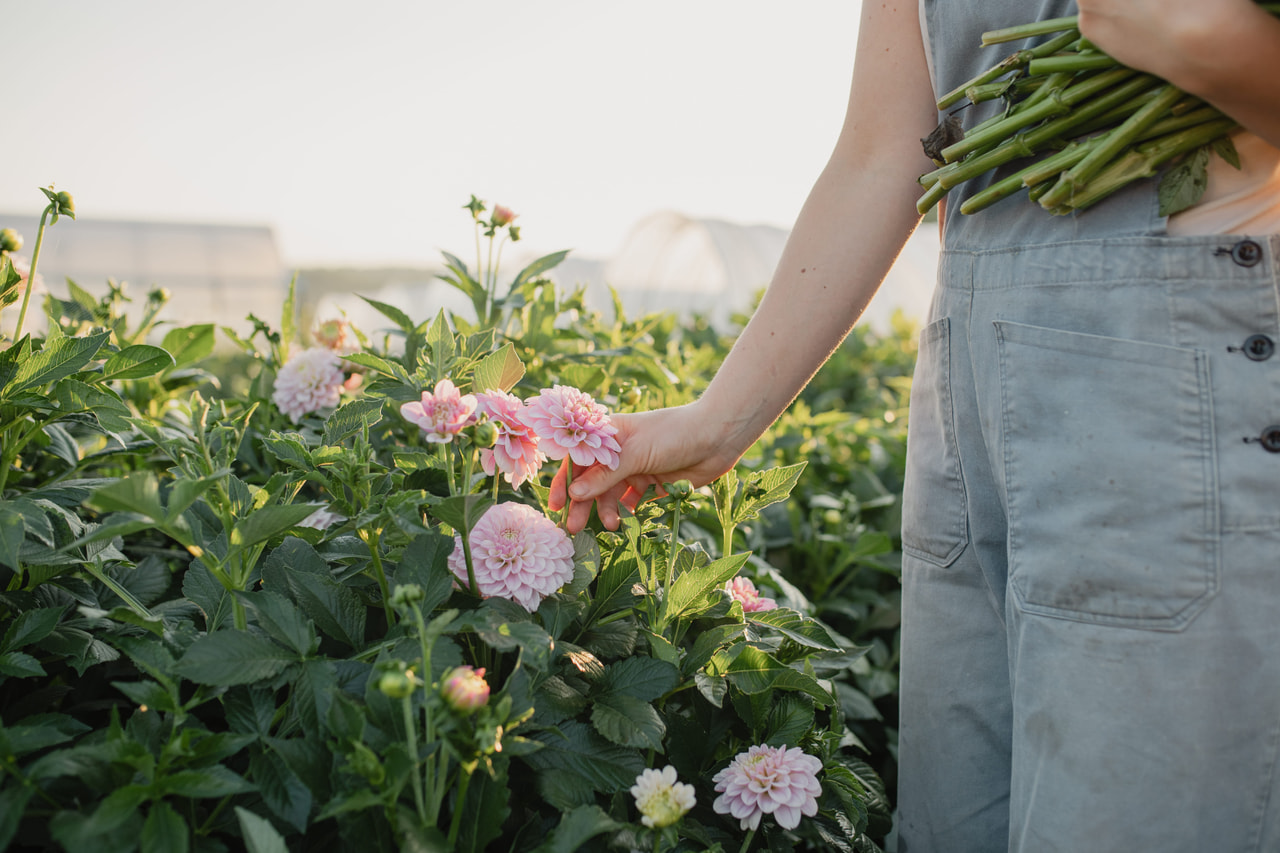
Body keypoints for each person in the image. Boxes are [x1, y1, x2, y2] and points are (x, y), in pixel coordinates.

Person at [551, 0, 1280, 849]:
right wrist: (719, 422)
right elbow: (883, 150)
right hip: (968, 390)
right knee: (949, 825)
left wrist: (1214, 40)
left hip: (1160, 365)